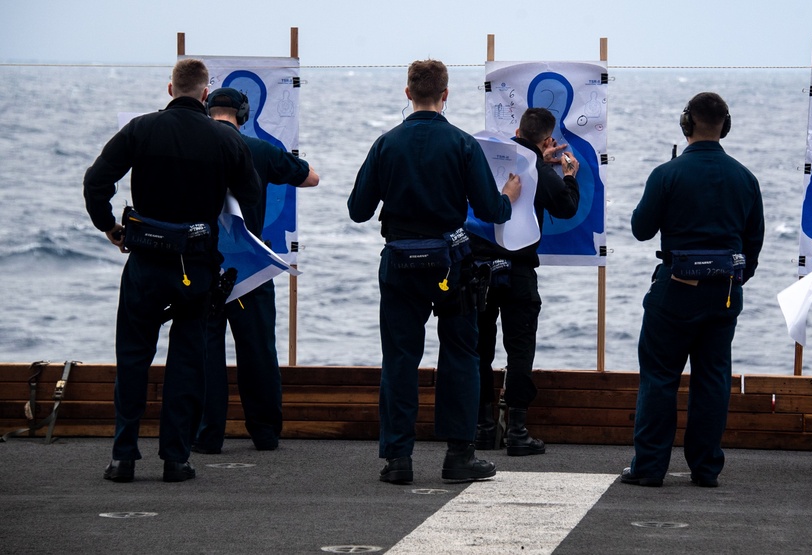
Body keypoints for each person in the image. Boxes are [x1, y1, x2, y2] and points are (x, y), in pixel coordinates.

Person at [83, 59, 261, 483]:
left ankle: (123, 457)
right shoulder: (224, 139)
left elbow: (96, 182)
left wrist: (109, 226)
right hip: (195, 265)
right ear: (204, 94)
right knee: (187, 361)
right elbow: (252, 195)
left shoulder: (141, 129)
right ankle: (176, 459)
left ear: (169, 89)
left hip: (144, 260)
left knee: (132, 358)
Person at [347, 59, 521, 484]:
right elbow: (490, 210)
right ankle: (459, 457)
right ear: (446, 95)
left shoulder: (385, 144)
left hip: (400, 264)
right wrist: (508, 195)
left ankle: (398, 460)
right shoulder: (463, 145)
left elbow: (357, 210)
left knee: (400, 359)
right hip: (451, 266)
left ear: (408, 93)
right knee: (460, 356)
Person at [621, 92, 764, 489]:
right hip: (725, 293)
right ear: (725, 126)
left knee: (660, 377)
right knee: (713, 379)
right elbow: (753, 244)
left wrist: (663, 186)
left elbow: (640, 229)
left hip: (675, 291)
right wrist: (736, 280)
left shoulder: (667, 175)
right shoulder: (745, 177)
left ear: (686, 124)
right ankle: (706, 469)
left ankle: (649, 468)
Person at [192, 88, 320, 454]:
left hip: (203, 266)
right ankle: (265, 434)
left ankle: (206, 434)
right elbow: (311, 178)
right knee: (259, 352)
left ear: (207, 110)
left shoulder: (196, 146)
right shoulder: (259, 150)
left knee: (205, 350)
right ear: (244, 115)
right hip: (250, 270)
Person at [471, 107, 580, 456]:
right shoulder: (542, 172)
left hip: (479, 269)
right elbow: (565, 208)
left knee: (479, 351)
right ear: (547, 139)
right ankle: (517, 431)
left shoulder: (485, 160)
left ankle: (483, 429)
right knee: (520, 351)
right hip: (518, 271)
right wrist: (568, 176)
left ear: (517, 130)